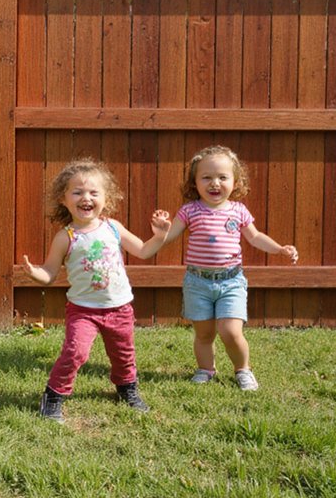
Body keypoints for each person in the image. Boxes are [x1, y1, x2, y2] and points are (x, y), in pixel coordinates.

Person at [23, 158, 171, 423]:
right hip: (83, 311)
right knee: (75, 353)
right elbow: (50, 273)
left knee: (124, 353)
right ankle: (54, 395)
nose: (85, 198)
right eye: (77, 192)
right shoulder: (66, 237)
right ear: (64, 199)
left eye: (93, 192)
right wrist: (35, 273)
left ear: (107, 198)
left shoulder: (113, 228)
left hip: (119, 308)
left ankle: (127, 389)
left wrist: (159, 236)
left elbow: (144, 250)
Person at [159, 145, 298, 391]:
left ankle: (243, 370)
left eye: (222, 177)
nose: (215, 183)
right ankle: (205, 369)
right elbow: (170, 236)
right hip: (197, 282)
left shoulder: (238, 210)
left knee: (230, 331)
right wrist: (161, 230)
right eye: (207, 177)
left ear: (235, 181)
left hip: (231, 281)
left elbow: (255, 237)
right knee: (204, 334)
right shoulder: (190, 210)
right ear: (195, 182)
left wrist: (279, 249)